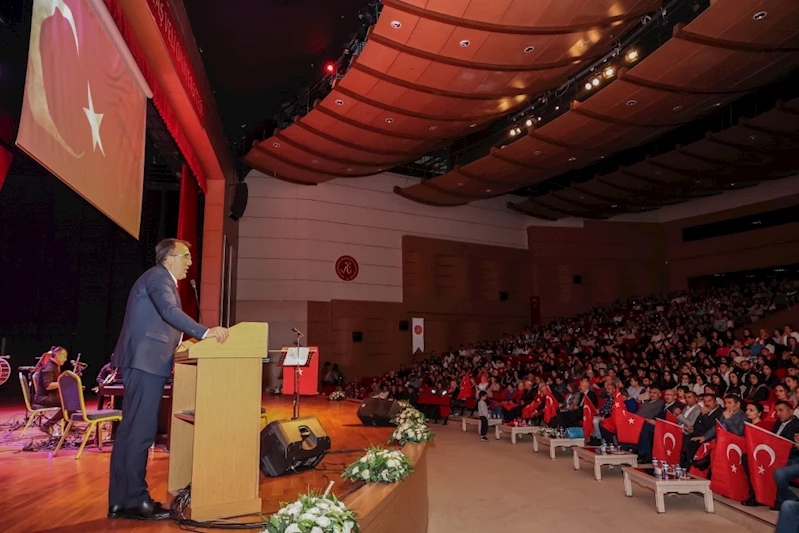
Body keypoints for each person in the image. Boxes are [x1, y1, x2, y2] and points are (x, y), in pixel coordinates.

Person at [108, 239, 229, 521]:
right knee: (140, 432)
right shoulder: (159, 278)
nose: (189, 262)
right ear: (169, 258)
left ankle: (120, 500)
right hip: (146, 362)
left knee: (129, 433)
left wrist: (184, 341)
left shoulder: (159, 279)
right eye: (185, 256)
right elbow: (168, 311)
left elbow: (160, 319)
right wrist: (204, 332)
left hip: (143, 361)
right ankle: (136, 500)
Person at [33, 346, 68, 435]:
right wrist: (65, 383)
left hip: (49, 396)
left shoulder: (54, 366)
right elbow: (48, 386)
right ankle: (47, 425)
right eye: (64, 356)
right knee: (69, 402)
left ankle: (68, 426)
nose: (65, 359)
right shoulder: (49, 368)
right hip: (42, 398)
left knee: (71, 400)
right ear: (57, 355)